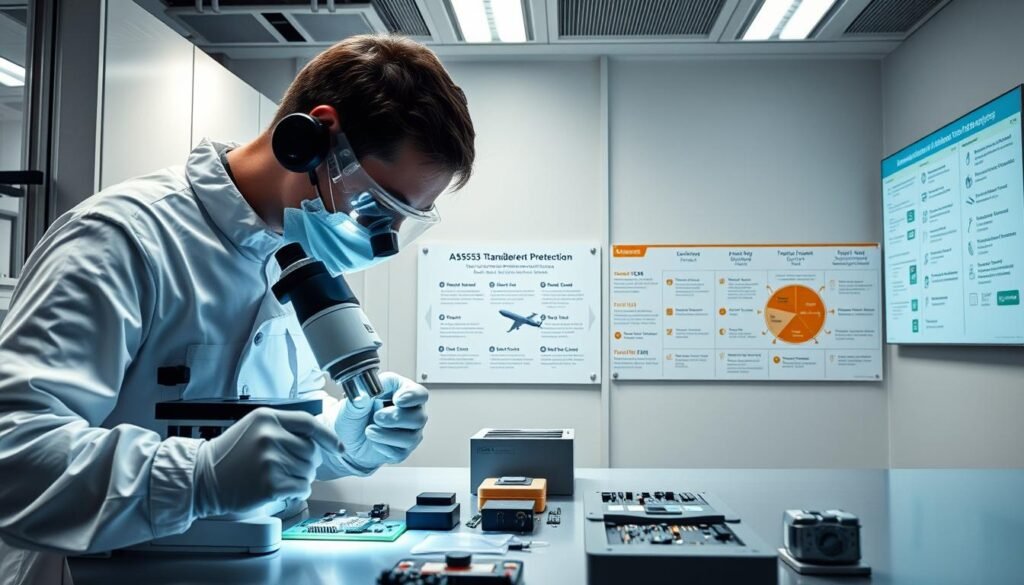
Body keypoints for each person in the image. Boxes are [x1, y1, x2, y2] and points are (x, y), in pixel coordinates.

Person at [0, 34, 475, 584]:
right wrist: (198, 479)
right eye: (376, 207)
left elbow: (253, 447)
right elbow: (15, 460)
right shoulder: (122, 239)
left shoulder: (297, 251)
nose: (382, 240)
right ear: (312, 139)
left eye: (404, 221)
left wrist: (343, 437)